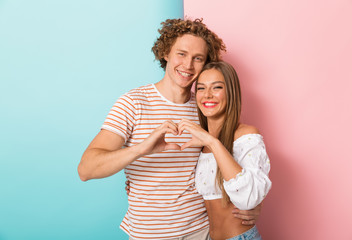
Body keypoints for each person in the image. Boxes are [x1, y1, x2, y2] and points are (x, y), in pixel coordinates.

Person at [78, 18, 263, 240]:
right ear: (166, 53)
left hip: (203, 232)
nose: (187, 65)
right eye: (181, 54)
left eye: (198, 58)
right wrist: (140, 149)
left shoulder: (205, 107)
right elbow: (86, 169)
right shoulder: (133, 103)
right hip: (149, 235)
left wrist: (253, 206)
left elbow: (241, 160)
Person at [177, 61, 272, 240]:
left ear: (231, 92)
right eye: (201, 88)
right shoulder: (201, 143)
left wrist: (213, 142)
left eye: (217, 87)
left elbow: (248, 198)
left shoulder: (246, 135)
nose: (207, 95)